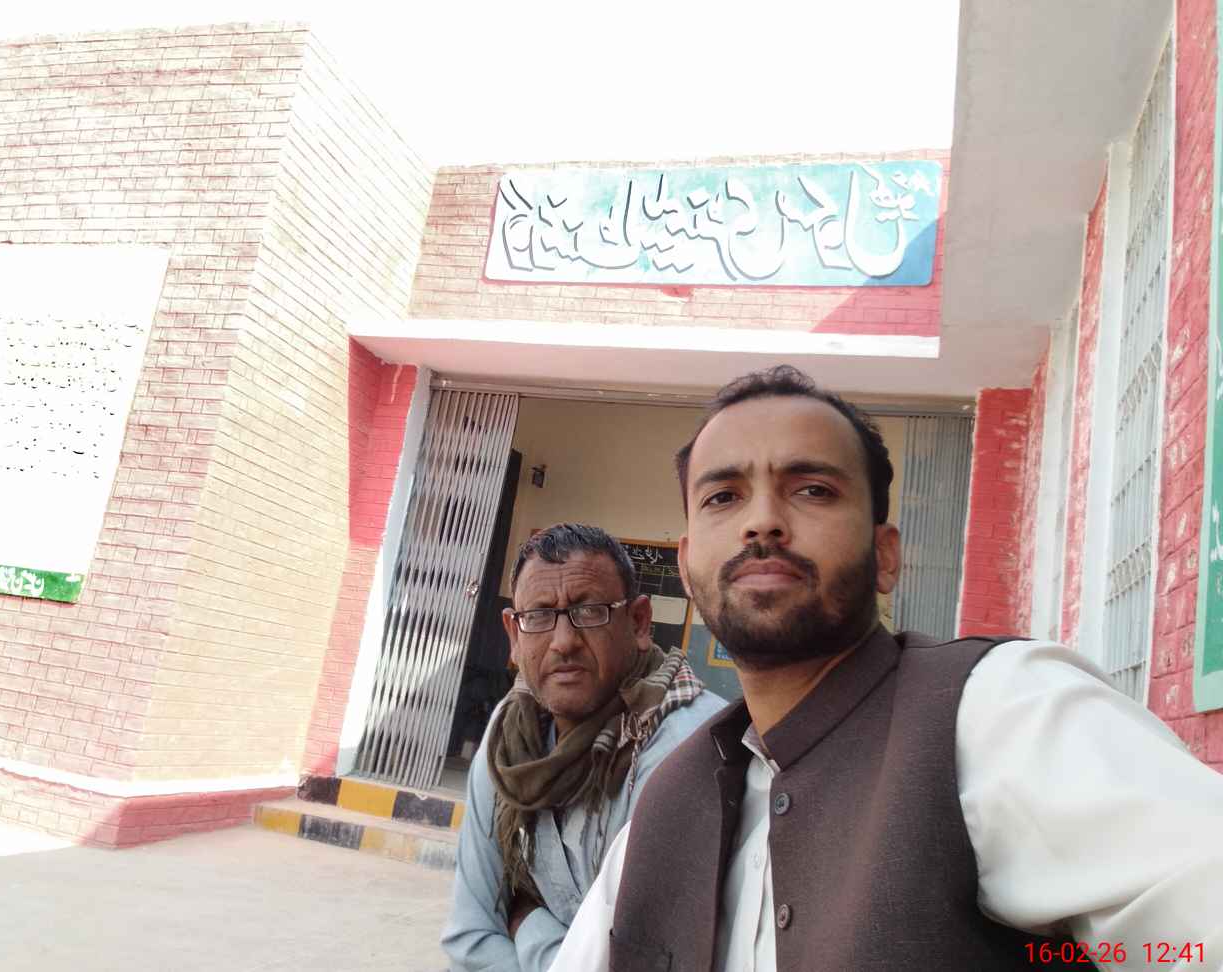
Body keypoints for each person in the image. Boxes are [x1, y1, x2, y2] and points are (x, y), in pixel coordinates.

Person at [548, 365, 1223, 971]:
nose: (763, 522)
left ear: (886, 555)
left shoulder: (998, 714)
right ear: (688, 564)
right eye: (724, 496)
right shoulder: (667, 806)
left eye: (812, 489)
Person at [441, 523, 727, 971]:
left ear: (638, 622)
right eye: (539, 616)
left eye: (589, 611)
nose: (563, 642)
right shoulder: (508, 739)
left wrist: (526, 921)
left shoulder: (687, 748)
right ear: (514, 635)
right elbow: (470, 937)